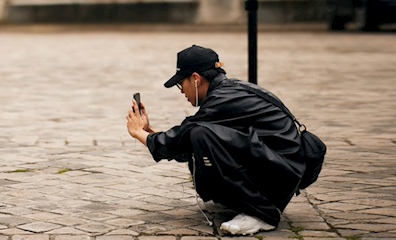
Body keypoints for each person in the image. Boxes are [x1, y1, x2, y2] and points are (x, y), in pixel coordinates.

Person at [125, 45, 305, 235]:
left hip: (282, 172)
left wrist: (138, 133)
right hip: (281, 167)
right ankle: (251, 201)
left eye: (181, 84)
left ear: (196, 79)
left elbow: (184, 137)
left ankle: (262, 213)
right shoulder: (226, 91)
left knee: (201, 134)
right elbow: (184, 142)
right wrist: (149, 132)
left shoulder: (221, 99)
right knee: (199, 134)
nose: (181, 91)